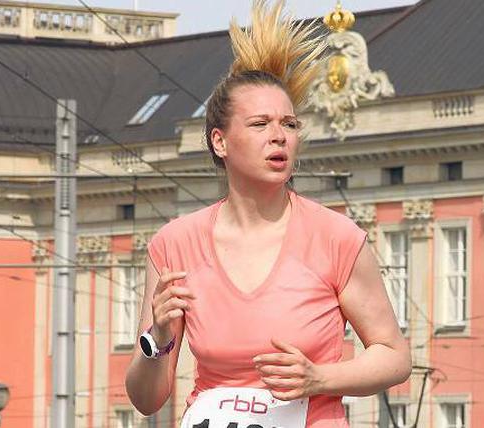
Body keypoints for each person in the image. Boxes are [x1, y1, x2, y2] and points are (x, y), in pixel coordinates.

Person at [124, 1, 411, 427]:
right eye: (260, 124)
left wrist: (320, 378)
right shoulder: (175, 244)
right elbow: (147, 400)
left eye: (290, 125)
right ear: (220, 142)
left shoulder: (336, 237)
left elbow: (394, 356)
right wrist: (159, 339)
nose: (279, 137)